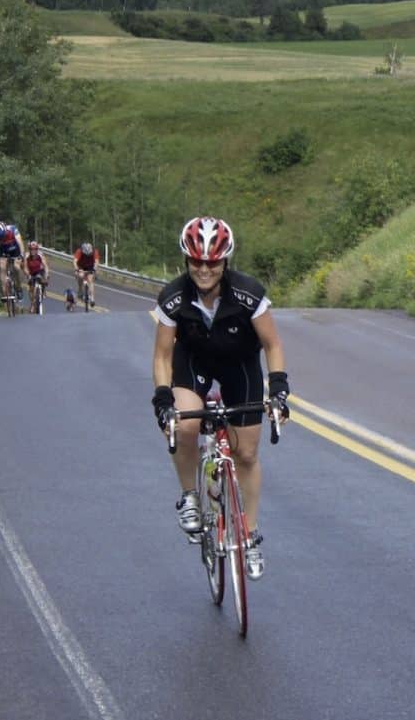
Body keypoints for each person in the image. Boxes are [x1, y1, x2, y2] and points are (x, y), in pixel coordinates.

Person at [151, 216, 289, 581]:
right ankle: (189, 498)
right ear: (186, 261)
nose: (204, 269)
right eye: (196, 261)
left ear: (225, 261)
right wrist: (163, 396)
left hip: (239, 364)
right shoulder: (173, 297)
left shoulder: (249, 294)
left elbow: (272, 344)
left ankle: (251, 535)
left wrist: (278, 387)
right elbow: (164, 355)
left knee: (246, 453)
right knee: (186, 422)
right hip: (192, 361)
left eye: (212, 262)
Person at [0, 221, 26, 305]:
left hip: (14, 247)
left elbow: (20, 243)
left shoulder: (13, 229)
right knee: (2, 267)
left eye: (2, 237)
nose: (1, 239)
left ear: (5, 231)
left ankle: (18, 288)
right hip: (3, 249)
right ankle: (5, 291)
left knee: (16, 267)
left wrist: (22, 254)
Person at [24, 241, 50, 310]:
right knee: (30, 288)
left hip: (39, 271)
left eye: (35, 249)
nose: (33, 251)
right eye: (31, 249)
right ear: (29, 249)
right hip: (31, 272)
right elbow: (25, 267)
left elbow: (45, 266)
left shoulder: (40, 255)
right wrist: (28, 274)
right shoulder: (27, 256)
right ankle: (32, 304)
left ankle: (43, 289)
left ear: (37, 249)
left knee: (42, 278)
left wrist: (47, 274)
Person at [73, 241, 100, 307]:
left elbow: (96, 262)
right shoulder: (79, 251)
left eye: (89, 254)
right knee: (80, 276)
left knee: (90, 280)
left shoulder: (95, 252)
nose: (87, 255)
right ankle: (80, 290)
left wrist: (94, 269)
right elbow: (75, 261)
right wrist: (77, 269)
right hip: (81, 266)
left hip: (90, 267)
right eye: (85, 254)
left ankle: (92, 298)